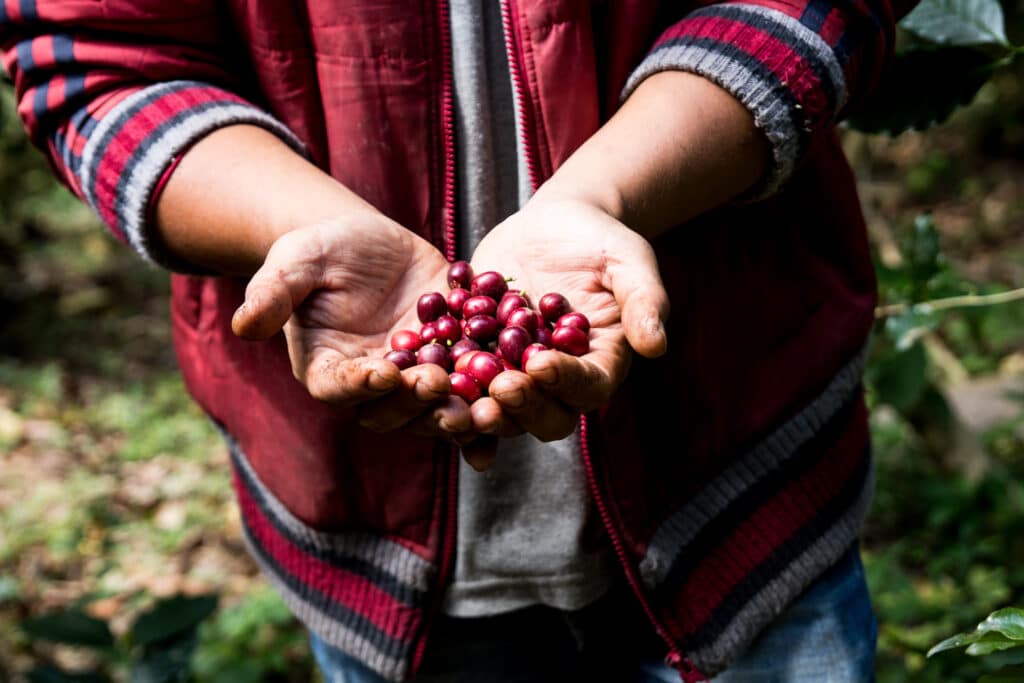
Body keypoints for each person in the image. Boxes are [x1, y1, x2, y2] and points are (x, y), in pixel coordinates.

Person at [1, 0, 913, 680]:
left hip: (740, 488)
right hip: (367, 519)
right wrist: (299, 221)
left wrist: (608, 193)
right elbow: (94, 63)